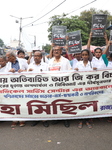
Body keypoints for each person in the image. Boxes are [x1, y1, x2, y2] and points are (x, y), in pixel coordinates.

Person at [48, 45, 72, 127]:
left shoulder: (66, 61)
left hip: (64, 85)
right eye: (54, 50)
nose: (56, 51)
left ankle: (66, 119)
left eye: (58, 50)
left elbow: (70, 72)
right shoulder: (50, 61)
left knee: (64, 102)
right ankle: (57, 118)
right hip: (53, 86)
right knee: (56, 102)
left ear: (61, 51)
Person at [5, 51, 28, 127]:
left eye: (8, 57)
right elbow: (4, 74)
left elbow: (30, 70)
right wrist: (9, 71)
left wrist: (23, 71)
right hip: (12, 87)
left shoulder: (23, 61)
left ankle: (22, 119)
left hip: (22, 85)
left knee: (22, 102)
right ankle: (14, 119)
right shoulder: (8, 64)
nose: (7, 59)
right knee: (13, 102)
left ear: (13, 57)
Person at [74, 49, 96, 129]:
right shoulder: (78, 64)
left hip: (89, 87)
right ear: (81, 56)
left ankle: (87, 120)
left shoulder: (92, 64)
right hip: (80, 87)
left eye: (86, 55)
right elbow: (72, 74)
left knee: (87, 103)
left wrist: (95, 70)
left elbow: (96, 74)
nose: (84, 56)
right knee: (80, 103)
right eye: (83, 55)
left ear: (88, 55)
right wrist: (75, 70)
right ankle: (80, 120)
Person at [28, 50, 49, 127]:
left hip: (43, 88)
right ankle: (36, 119)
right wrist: (27, 72)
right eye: (34, 56)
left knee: (44, 103)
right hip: (33, 88)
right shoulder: (30, 65)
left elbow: (49, 76)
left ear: (41, 57)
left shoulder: (46, 65)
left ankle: (45, 120)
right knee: (34, 103)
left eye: (37, 56)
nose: (36, 57)